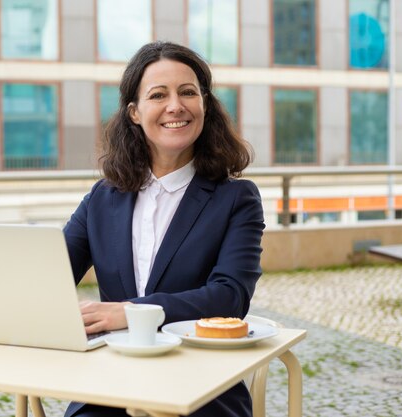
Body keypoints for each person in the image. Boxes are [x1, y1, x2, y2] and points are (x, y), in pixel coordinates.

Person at [62, 41, 265, 417]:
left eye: (188, 92)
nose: (176, 106)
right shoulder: (102, 198)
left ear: (205, 104)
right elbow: (49, 276)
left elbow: (230, 297)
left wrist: (130, 311)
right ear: (135, 113)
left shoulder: (237, 198)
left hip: (202, 387)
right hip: (111, 384)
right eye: (159, 95)